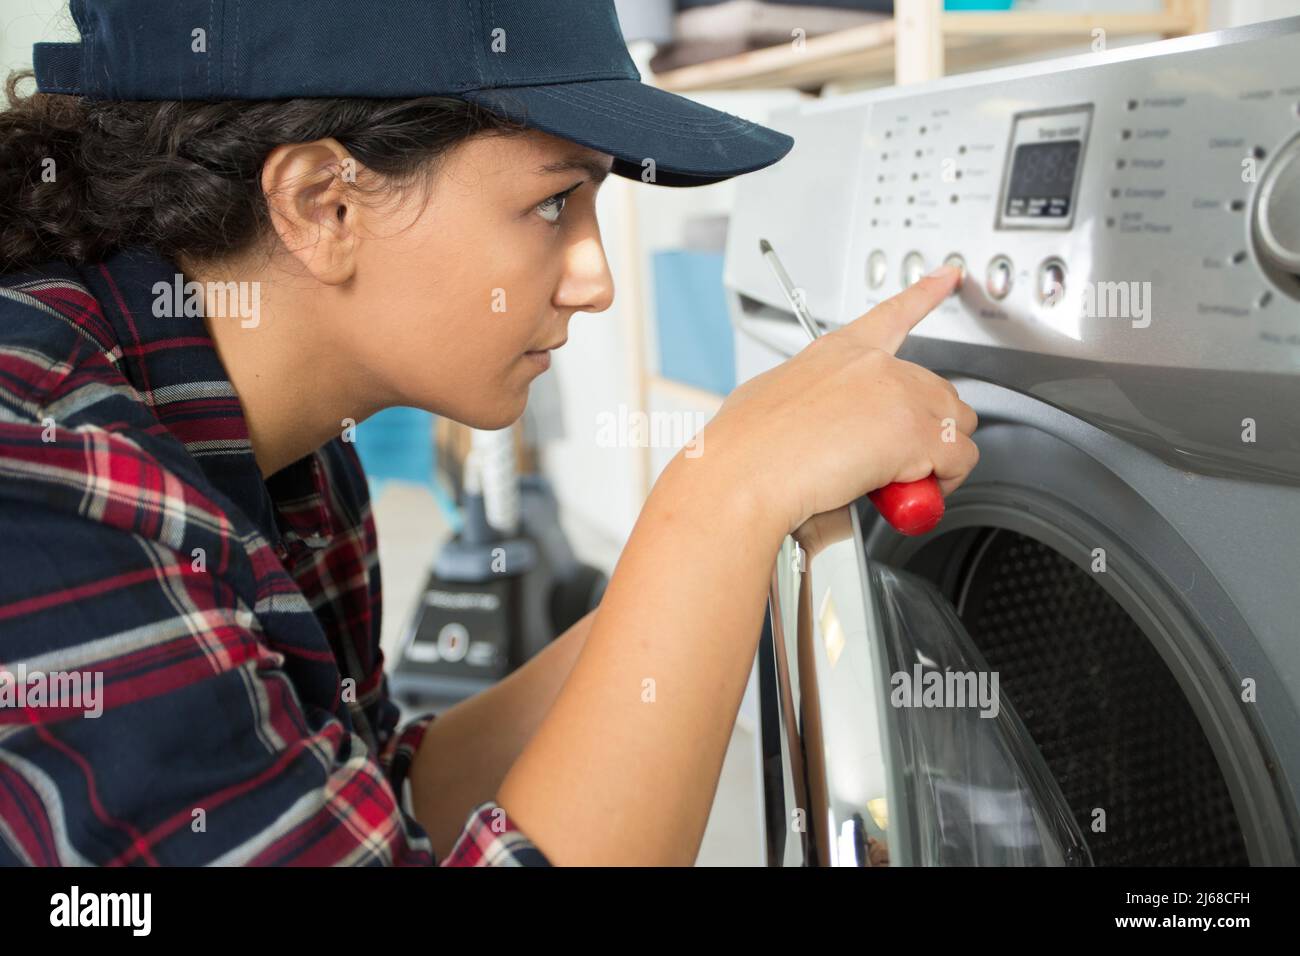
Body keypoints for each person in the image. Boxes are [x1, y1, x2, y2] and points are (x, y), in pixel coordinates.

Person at [0, 0, 977, 866]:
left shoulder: (295, 455)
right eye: (552, 200)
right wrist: (720, 497)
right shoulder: (44, 473)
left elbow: (375, 804)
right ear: (322, 205)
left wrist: (724, 570)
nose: (594, 277)